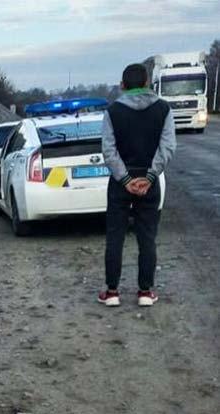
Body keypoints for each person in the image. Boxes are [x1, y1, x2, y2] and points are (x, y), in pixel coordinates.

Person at [98, 63, 176, 308]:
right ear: (147, 83)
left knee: (115, 237)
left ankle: (112, 292)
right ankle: (145, 292)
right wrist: (151, 177)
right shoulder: (164, 110)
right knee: (147, 238)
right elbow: (167, 148)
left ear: (122, 85)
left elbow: (108, 151)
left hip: (121, 183)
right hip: (149, 183)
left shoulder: (113, 112)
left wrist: (125, 179)